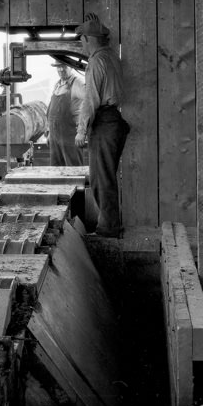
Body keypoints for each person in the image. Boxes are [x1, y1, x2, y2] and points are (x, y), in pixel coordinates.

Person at [75, 14, 130, 238]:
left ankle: (107, 229)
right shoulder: (111, 57)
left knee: (101, 179)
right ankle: (110, 225)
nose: (81, 43)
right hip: (114, 121)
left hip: (104, 122)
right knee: (106, 177)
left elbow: (90, 100)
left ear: (89, 38)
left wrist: (81, 130)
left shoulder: (96, 61)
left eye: (82, 39)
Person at [47, 61, 86, 166]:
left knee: (74, 171)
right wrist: (50, 132)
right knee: (56, 170)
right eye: (58, 66)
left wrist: (82, 131)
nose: (60, 69)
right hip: (55, 138)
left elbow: (90, 103)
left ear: (71, 67)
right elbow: (52, 110)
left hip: (70, 136)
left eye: (64, 66)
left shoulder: (78, 83)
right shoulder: (57, 84)